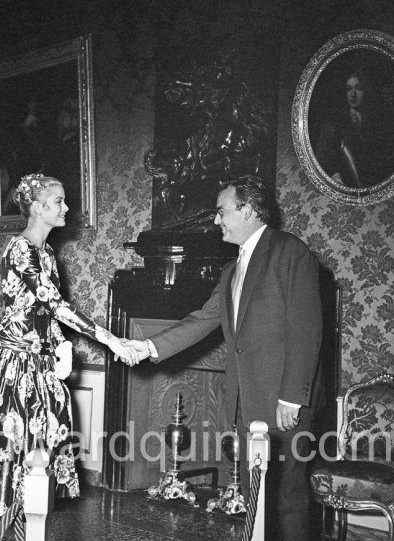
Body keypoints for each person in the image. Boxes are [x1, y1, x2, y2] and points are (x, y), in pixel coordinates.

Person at [0, 173, 137, 541]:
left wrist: (61, 345)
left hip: (37, 367)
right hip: (7, 368)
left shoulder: (47, 253)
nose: (66, 207)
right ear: (38, 208)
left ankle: (24, 532)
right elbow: (52, 302)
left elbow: (41, 314)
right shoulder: (19, 248)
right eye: (59, 201)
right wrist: (109, 339)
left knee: (33, 460)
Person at [124, 175, 323, 541]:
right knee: (256, 498)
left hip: (283, 402)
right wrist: (148, 347)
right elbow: (202, 319)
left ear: (247, 210)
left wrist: (292, 397)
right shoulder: (232, 269)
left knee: (287, 500)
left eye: (221, 212)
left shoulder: (289, 252)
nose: (216, 221)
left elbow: (306, 328)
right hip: (245, 402)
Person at [315, 67, 394, 188]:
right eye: (348, 89)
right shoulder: (334, 125)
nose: (352, 94)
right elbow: (324, 160)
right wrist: (335, 176)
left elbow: (387, 160)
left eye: (359, 89)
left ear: (368, 91)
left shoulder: (380, 124)